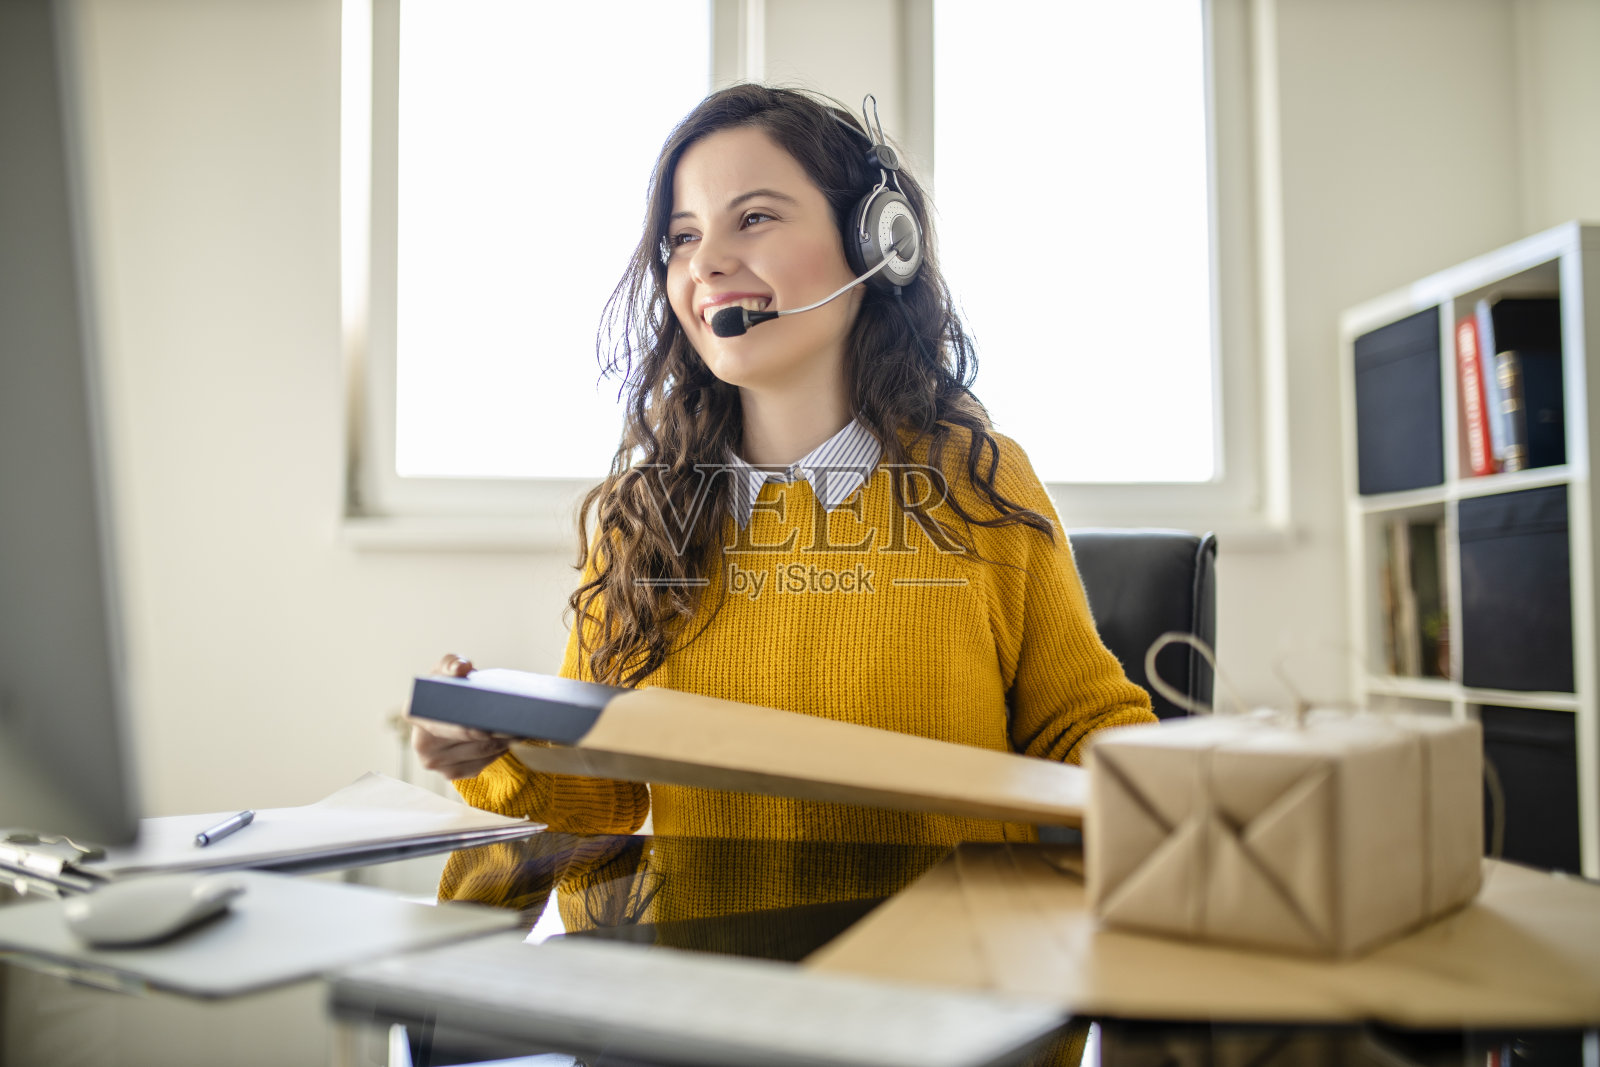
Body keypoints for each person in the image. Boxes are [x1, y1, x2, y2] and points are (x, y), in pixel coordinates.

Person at [410, 83, 1156, 846]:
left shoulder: (973, 478)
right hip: (711, 963)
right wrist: (494, 753)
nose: (709, 263)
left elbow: (1080, 730)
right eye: (684, 237)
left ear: (877, 245)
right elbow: (599, 799)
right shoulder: (643, 515)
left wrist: (1210, 787)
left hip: (946, 953)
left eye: (754, 218)